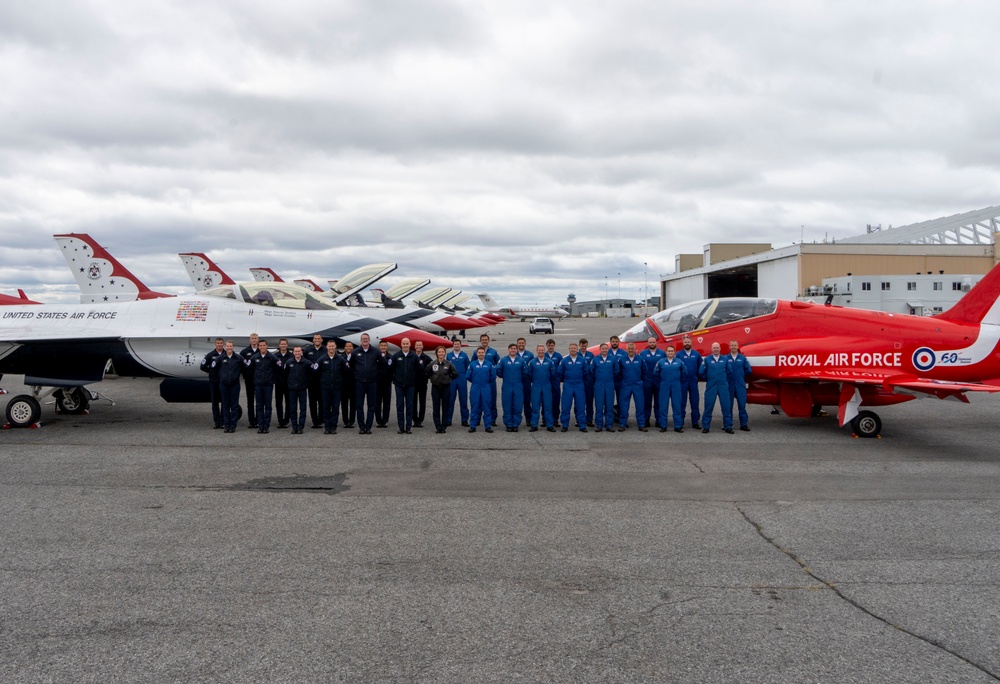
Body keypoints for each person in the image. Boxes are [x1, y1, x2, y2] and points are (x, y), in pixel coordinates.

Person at [247, 338, 283, 433]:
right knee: (259, 406)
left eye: (264, 345)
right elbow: (249, 369)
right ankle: (260, 425)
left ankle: (266, 426)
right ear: (258, 347)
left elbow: (279, 368)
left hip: (268, 385)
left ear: (267, 346)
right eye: (261, 345)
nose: (262, 347)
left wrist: (273, 378)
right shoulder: (254, 358)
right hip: (258, 385)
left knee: (268, 406)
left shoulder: (272, 357)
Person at [313, 340, 347, 434]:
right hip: (325, 388)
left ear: (335, 347)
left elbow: (346, 371)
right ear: (327, 347)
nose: (331, 348)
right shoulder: (322, 359)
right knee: (326, 408)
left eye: (333, 346)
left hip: (337, 388)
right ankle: (327, 427)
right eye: (329, 346)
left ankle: (334, 427)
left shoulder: (340, 359)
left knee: (335, 408)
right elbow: (316, 372)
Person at [700, 342, 733, 433]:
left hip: (723, 385)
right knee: (708, 406)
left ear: (720, 349)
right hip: (711, 385)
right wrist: (710, 379)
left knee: (726, 406)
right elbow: (701, 372)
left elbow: (729, 371)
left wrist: (722, 379)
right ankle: (706, 426)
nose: (716, 349)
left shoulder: (725, 359)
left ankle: (728, 426)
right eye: (714, 348)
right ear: (711, 349)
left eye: (717, 347)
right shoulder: (707, 359)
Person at [654, 345, 687, 432]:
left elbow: (684, 372)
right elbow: (656, 373)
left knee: (677, 406)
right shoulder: (661, 362)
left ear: (674, 352)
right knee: (663, 406)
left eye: (672, 351)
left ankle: (678, 426)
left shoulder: (679, 362)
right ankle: (663, 425)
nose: (670, 352)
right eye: (668, 351)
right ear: (666, 352)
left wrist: (678, 379)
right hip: (664, 385)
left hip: (676, 385)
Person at [426, 345, 459, 433]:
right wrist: (432, 378)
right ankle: (437, 426)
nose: (441, 353)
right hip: (436, 388)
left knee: (445, 407)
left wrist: (449, 379)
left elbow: (455, 373)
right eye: (439, 352)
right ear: (436, 353)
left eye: (442, 352)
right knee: (436, 408)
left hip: (446, 388)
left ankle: (444, 426)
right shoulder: (433, 364)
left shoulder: (448, 364)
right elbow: (426, 372)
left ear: (445, 353)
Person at [496, 343, 528, 431]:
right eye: (511, 348)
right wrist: (506, 377)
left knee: (517, 405)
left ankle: (516, 424)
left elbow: (525, 372)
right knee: (507, 405)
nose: (513, 350)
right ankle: (508, 424)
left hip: (518, 385)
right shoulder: (503, 360)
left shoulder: (521, 360)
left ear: (517, 350)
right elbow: (498, 370)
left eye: (514, 348)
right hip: (507, 385)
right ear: (508, 350)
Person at [557, 342, 588, 432]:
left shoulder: (582, 360)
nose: (573, 350)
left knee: (581, 406)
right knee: (566, 406)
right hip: (568, 385)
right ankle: (565, 425)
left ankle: (582, 425)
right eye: (571, 348)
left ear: (577, 349)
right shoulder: (564, 360)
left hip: (579, 385)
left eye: (575, 348)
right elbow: (559, 373)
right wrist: (565, 380)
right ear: (569, 349)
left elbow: (586, 372)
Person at [526, 344, 557, 432]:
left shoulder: (549, 362)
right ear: (537, 351)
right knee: (535, 406)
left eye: (542, 350)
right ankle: (534, 425)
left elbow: (553, 374)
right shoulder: (532, 362)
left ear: (544, 350)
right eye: (539, 350)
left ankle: (549, 425)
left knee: (548, 407)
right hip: (536, 386)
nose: (541, 352)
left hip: (547, 386)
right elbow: (529, 374)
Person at [352, 334, 378, 434]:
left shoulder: (375, 351)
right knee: (359, 406)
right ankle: (362, 427)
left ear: (369, 340)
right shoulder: (355, 352)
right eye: (363, 339)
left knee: (371, 406)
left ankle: (368, 427)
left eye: (366, 339)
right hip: (359, 382)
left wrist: (375, 374)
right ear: (360, 341)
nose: (365, 340)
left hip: (372, 382)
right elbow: (351, 365)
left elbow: (382, 363)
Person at [618, 342, 647, 431]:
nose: (630, 350)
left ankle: (641, 424)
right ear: (626, 350)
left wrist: (639, 380)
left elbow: (644, 370)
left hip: (637, 384)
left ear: (635, 349)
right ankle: (622, 424)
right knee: (624, 405)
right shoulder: (622, 359)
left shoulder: (640, 359)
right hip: (626, 384)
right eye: (629, 349)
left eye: (632, 349)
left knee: (640, 405)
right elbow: (618, 372)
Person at [215, 340, 243, 432]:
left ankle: (233, 425)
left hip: (235, 384)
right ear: (225, 347)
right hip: (224, 385)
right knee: (225, 405)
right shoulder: (220, 358)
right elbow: (214, 368)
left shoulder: (238, 358)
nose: (229, 348)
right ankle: (226, 425)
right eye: (227, 346)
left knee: (234, 405)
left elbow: (245, 367)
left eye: (231, 346)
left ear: (233, 347)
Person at [467, 347, 496, 433]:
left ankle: (488, 426)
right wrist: (476, 382)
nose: (481, 354)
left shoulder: (489, 364)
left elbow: (493, 376)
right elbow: (468, 376)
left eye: (482, 352)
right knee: (474, 406)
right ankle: (473, 425)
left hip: (485, 387)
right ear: (477, 353)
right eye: (479, 352)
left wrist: (485, 382)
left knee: (487, 406)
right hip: (475, 387)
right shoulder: (472, 364)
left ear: (485, 354)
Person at [591, 343, 619, 433]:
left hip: (609, 384)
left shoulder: (613, 359)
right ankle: (599, 425)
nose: (604, 350)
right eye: (602, 348)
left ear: (608, 349)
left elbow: (616, 371)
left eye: (606, 348)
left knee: (609, 406)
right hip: (599, 384)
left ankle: (609, 425)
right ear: (600, 349)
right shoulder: (595, 360)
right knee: (599, 406)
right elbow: (591, 371)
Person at [677, 334, 702, 430]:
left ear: (691, 343)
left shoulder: (696, 354)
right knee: (682, 402)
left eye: (688, 342)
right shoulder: (679, 354)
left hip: (693, 381)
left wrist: (698, 377)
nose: (687, 343)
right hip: (683, 381)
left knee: (695, 402)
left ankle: (695, 422)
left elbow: (701, 368)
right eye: (685, 342)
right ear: (683, 343)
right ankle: (680, 422)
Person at [726, 340, 753, 432]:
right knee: (728, 406)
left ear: (738, 347)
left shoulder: (743, 358)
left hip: (740, 384)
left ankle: (744, 424)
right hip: (729, 384)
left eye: (735, 345)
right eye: (731, 345)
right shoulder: (726, 358)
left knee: (742, 405)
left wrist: (740, 375)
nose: (733, 347)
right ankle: (728, 425)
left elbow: (749, 370)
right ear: (729, 347)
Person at [640, 337, 665, 428]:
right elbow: (641, 367)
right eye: (650, 342)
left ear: (656, 343)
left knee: (658, 401)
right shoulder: (643, 353)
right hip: (647, 380)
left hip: (658, 380)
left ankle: (658, 420)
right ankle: (646, 420)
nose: (652, 344)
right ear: (648, 343)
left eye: (653, 342)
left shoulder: (662, 353)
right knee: (647, 401)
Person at [199, 337, 225, 429]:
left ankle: (223, 422)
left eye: (221, 343)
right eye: (218, 343)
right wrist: (211, 372)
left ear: (223, 344)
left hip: (224, 382)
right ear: (215, 344)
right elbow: (202, 366)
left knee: (224, 402)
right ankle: (216, 422)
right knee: (214, 403)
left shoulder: (226, 354)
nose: (219, 345)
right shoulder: (210, 355)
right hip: (214, 382)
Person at [284, 346, 311, 433]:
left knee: (303, 409)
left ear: (301, 352)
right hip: (292, 389)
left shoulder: (306, 363)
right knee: (293, 409)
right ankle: (294, 427)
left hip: (302, 389)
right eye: (296, 351)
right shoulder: (289, 362)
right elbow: (286, 374)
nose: (297, 353)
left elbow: (310, 374)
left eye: (299, 351)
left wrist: (306, 384)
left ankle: (301, 427)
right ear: (293, 352)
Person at [303, 333, 326, 429]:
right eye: (315, 338)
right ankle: (314, 421)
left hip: (323, 380)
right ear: (313, 340)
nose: (317, 340)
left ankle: (321, 420)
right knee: (312, 402)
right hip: (311, 381)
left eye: (318, 338)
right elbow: (303, 363)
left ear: (321, 340)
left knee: (322, 402)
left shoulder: (326, 350)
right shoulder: (307, 350)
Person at [446, 337, 470, 427]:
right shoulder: (449, 355)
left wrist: (466, 377)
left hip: (462, 378)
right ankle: (448, 419)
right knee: (450, 400)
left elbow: (468, 366)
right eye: (455, 344)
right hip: (452, 379)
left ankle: (464, 420)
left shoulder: (464, 355)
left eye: (458, 344)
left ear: (460, 345)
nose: (456, 346)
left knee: (463, 400)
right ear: (453, 345)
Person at [478, 333, 501, 425]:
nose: (484, 341)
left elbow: (498, 364)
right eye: (483, 339)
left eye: (486, 339)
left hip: (490, 380)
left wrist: (494, 372)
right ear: (480, 341)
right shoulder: (477, 352)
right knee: (479, 400)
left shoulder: (493, 352)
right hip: (480, 380)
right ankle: (477, 419)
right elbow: (472, 364)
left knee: (492, 399)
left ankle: (492, 419)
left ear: (488, 340)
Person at [238, 333, 259, 429]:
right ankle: (251, 421)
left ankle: (259, 420)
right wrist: (245, 375)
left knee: (259, 401)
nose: (254, 340)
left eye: (255, 338)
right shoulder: (244, 352)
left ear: (258, 340)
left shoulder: (262, 350)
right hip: (249, 380)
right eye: (252, 338)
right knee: (250, 401)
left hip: (259, 380)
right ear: (250, 340)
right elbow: (241, 365)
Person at [274, 338, 292, 429]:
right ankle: (280, 420)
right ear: (279, 345)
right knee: (278, 403)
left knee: (288, 403)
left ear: (287, 345)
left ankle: (286, 420)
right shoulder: (275, 356)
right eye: (282, 344)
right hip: (278, 383)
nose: (283, 345)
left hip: (289, 383)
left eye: (285, 344)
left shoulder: (291, 356)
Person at [412, 340, 432, 428]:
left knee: (422, 401)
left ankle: (420, 420)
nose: (418, 346)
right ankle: (414, 420)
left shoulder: (426, 358)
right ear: (415, 346)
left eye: (420, 345)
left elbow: (432, 368)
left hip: (423, 383)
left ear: (422, 346)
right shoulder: (411, 356)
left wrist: (427, 376)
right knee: (413, 402)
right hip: (412, 382)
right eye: (417, 345)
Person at [375, 340, 393, 428]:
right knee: (377, 403)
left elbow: (393, 369)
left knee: (386, 403)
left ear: (387, 347)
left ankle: (385, 420)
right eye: (381, 346)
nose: (383, 347)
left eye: (384, 346)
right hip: (377, 384)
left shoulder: (391, 357)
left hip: (387, 383)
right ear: (379, 347)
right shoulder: (376, 357)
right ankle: (378, 421)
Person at [545, 339, 563, 426]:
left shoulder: (558, 356)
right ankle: (545, 419)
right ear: (547, 346)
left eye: (552, 345)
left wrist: (559, 379)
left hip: (555, 381)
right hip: (546, 380)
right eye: (549, 345)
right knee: (545, 400)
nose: (550, 347)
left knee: (556, 400)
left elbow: (562, 368)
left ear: (554, 346)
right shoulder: (543, 355)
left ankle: (555, 419)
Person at [578, 338, 596, 427]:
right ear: (579, 345)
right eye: (582, 346)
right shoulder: (576, 354)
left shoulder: (591, 355)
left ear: (587, 346)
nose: (583, 347)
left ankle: (589, 419)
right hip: (579, 380)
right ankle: (578, 419)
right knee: (579, 401)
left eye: (585, 346)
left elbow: (593, 367)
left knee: (589, 400)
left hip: (589, 381)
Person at [516, 337, 533, 425]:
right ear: (517, 344)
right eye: (519, 343)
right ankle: (516, 419)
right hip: (517, 380)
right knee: (516, 401)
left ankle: (528, 419)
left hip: (526, 381)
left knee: (527, 401)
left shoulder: (530, 355)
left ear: (525, 344)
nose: (521, 344)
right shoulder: (514, 354)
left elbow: (532, 368)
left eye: (522, 343)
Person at [340, 341, 357, 430]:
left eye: (350, 346)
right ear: (344, 348)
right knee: (344, 404)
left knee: (353, 404)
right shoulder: (341, 357)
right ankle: (345, 421)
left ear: (353, 348)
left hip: (354, 383)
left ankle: (352, 421)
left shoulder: (356, 357)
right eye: (347, 346)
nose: (348, 347)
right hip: (343, 384)